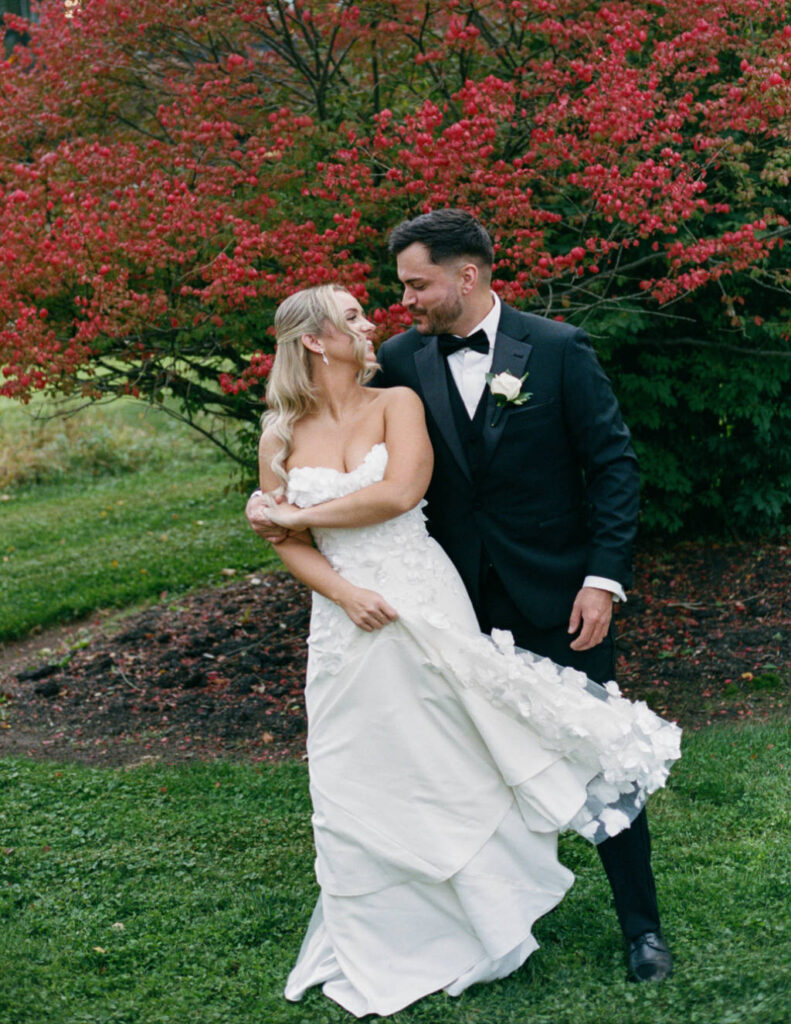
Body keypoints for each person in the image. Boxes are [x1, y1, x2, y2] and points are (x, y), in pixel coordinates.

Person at [250, 278, 681, 1017]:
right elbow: (290, 542)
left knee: (572, 738)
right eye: (360, 310)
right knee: (392, 768)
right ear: (315, 340)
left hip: (524, 582)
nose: (395, 304)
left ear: (467, 273)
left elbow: (606, 465)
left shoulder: (552, 349)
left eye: (414, 282)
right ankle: (418, 927)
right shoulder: (394, 363)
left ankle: (641, 928)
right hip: (384, 604)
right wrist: (335, 580)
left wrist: (292, 511)